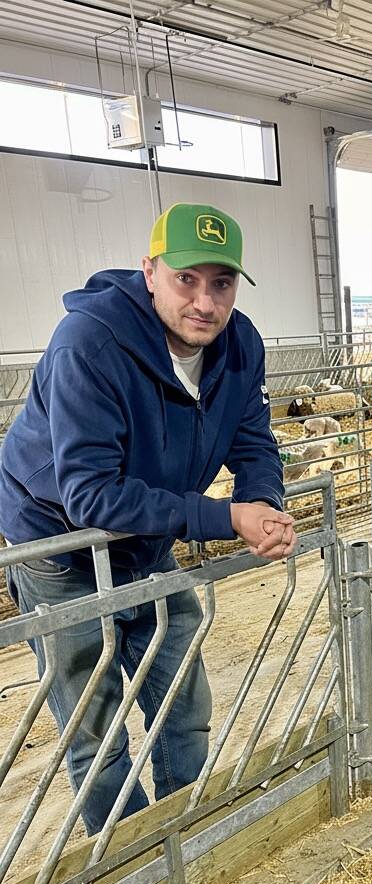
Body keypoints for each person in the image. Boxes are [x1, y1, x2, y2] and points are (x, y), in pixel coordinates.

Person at [0, 202, 295, 835]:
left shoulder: (238, 343)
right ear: (150, 271)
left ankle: (185, 833)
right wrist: (224, 518)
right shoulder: (89, 344)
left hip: (148, 534)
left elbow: (254, 440)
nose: (206, 303)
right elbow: (90, 495)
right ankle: (127, 868)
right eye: (186, 279)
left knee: (182, 697)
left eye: (221, 283)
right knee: (95, 724)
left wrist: (264, 500)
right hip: (59, 545)